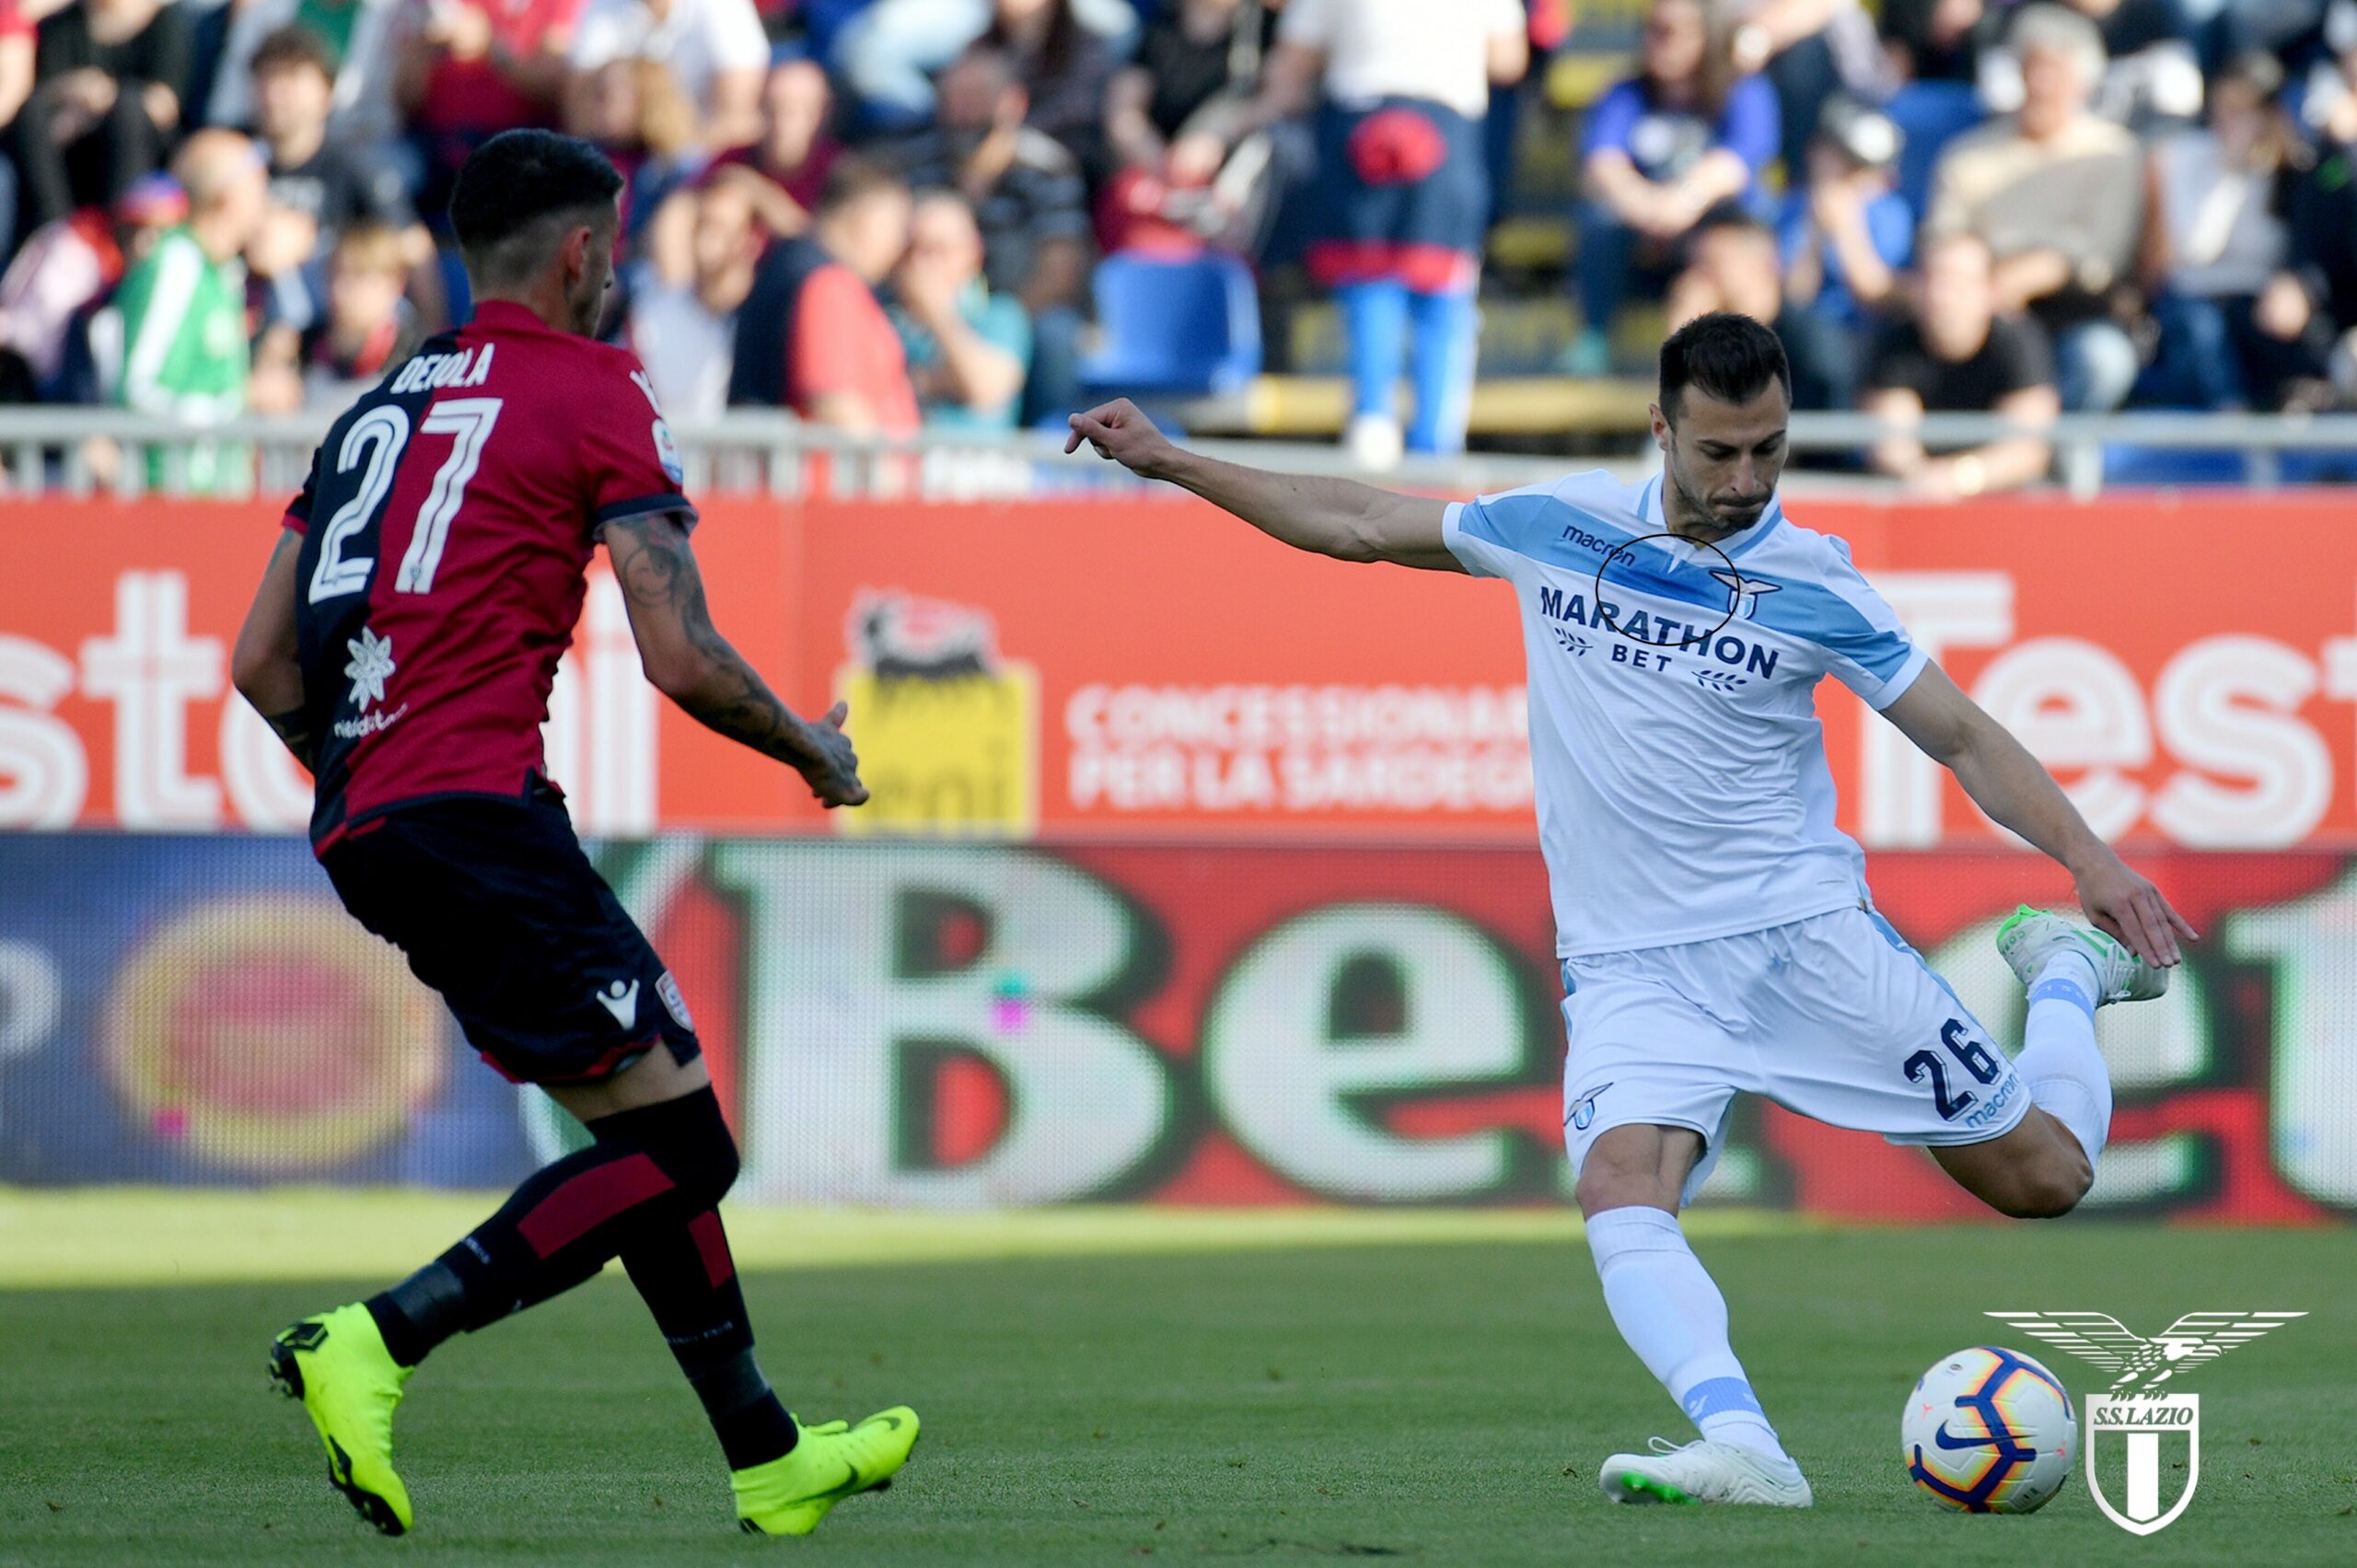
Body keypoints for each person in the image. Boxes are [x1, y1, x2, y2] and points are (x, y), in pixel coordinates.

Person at [1065, 309, 2194, 1507]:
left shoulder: (1816, 581)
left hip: (1803, 943)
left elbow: (1962, 734)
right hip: (1631, 963)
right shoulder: (1558, 525)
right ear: (1661, 429)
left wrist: (2092, 860)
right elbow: (1357, 523)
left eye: (1769, 448)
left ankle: (2066, 976)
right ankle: (1746, 1443)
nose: (1746, 479)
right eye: (1719, 452)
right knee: (1619, 1189)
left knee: (2047, 1179)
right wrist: (1175, 460)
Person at [228, 128, 921, 1540]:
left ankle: (768, 1451)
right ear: (585, 254)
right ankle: (376, 1339)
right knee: (692, 1154)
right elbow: (680, 651)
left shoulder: (374, 409)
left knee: (641, 1124)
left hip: (372, 819)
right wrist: (814, 750)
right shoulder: (598, 387)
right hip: (479, 810)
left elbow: (260, 664)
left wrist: (362, 772)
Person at [1245, 0, 1528, 464]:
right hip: (1445, 130)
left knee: (1372, 278)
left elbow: (1297, 58)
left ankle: (1373, 420)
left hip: (1361, 125)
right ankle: (1434, 442)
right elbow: (1508, 61)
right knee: (1441, 287)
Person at [1922, 4, 2143, 412]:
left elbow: (2102, 256)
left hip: (2073, 313)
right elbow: (1943, 240)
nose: (2041, 83)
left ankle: (2057, 458)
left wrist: (2034, 271)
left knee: (2101, 359)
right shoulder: (1968, 155)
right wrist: (1981, 287)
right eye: (2032, 67)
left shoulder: (2113, 154)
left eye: (2055, 71)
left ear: (2083, 83)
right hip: (1981, 309)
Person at [1569, 0, 1781, 377]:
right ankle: (1595, 333)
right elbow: (1602, 163)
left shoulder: (1741, 89)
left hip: (1712, 228)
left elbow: (1737, 163)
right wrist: (1646, 204)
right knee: (1598, 219)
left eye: (1672, 31)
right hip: (1643, 232)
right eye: (1652, 29)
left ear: (1708, 36)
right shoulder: (1626, 94)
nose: (1658, 41)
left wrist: (1684, 200)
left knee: (1717, 265)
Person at [2136, 52, 2330, 411]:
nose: (2229, 121)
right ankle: (2232, 426)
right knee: (2200, 332)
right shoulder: (2180, 156)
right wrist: (2228, 172)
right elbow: (2194, 250)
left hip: (2255, 305)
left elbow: (2302, 254)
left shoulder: (2292, 170)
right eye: (2224, 107)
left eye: (2244, 110)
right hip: (2192, 299)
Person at [98, 129, 268, 494]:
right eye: (257, 182)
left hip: (217, 496)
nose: (265, 198)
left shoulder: (221, 272)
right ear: (227, 195)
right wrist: (225, 412)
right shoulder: (175, 265)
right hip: (169, 499)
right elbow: (138, 387)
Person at [727, 151, 919, 433]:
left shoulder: (791, 262)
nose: (900, 245)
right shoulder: (829, 284)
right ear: (865, 217)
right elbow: (836, 406)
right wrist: (886, 471)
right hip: (809, 471)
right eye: (897, 226)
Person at [1862, 230, 2061, 495]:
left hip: (2004, 501)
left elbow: (2027, 451)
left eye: (1958, 283)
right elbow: (1892, 444)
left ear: (1989, 291)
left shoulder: (2018, 343)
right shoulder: (1895, 346)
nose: (1942, 296)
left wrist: (1960, 477)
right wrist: (1924, 477)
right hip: (1916, 498)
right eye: (1932, 280)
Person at [1777, 95, 1911, 410]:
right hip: (1806, 337)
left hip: (1874, 334)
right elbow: (1795, 295)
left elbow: (1877, 293)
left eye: (1861, 168)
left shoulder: (1891, 212)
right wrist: (1816, 229)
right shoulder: (1793, 210)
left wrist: (1847, 228)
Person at [17, 0, 192, 229]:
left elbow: (165, 104)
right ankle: (53, 229)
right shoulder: (65, 23)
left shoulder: (164, 22)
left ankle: (118, 232)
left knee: (128, 107)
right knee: (31, 113)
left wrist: (108, 96)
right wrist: (74, 90)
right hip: (70, 141)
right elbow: (42, 92)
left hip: (134, 146)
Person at [629, 166, 764, 418]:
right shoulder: (654, 315)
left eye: (722, 228)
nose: (707, 239)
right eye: (703, 224)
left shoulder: (763, 322)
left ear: (752, 240)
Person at [891, 186, 1030, 429]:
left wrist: (934, 311)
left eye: (939, 249)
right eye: (914, 248)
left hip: (977, 463)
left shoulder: (1001, 314)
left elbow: (986, 387)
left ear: (972, 252)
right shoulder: (885, 320)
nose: (924, 262)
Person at [568, 0, 769, 149]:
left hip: (704, 155)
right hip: (625, 152)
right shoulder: (602, 8)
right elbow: (580, 112)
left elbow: (738, 115)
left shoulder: (724, 8)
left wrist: (678, 154)